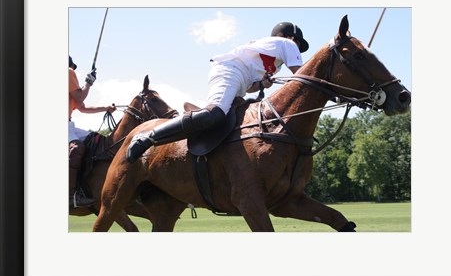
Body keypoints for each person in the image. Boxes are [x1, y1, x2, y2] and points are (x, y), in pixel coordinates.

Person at [126, 22, 309, 163]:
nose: (296, 47)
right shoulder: (286, 43)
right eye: (297, 42)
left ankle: (197, 113)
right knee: (216, 113)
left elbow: (249, 87)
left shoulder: (272, 56)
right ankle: (147, 138)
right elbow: (302, 76)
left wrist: (261, 84)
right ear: (283, 36)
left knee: (236, 122)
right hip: (232, 71)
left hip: (239, 79)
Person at [69, 56, 116, 208]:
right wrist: (88, 83)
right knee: (77, 148)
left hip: (69, 125)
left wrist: (106, 107)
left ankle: (86, 185)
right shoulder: (68, 72)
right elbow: (81, 95)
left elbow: (82, 107)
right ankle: (71, 195)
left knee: (95, 139)